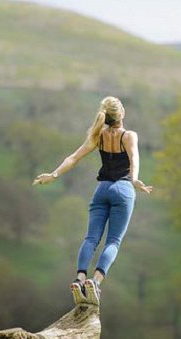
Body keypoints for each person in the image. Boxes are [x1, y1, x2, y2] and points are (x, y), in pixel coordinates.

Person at [32, 96, 153, 306]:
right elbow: (134, 158)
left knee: (91, 238)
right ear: (121, 113)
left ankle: (79, 278)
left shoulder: (99, 136)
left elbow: (73, 157)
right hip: (122, 190)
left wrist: (54, 175)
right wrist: (134, 180)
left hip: (102, 190)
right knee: (113, 241)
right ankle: (95, 281)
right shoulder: (129, 136)